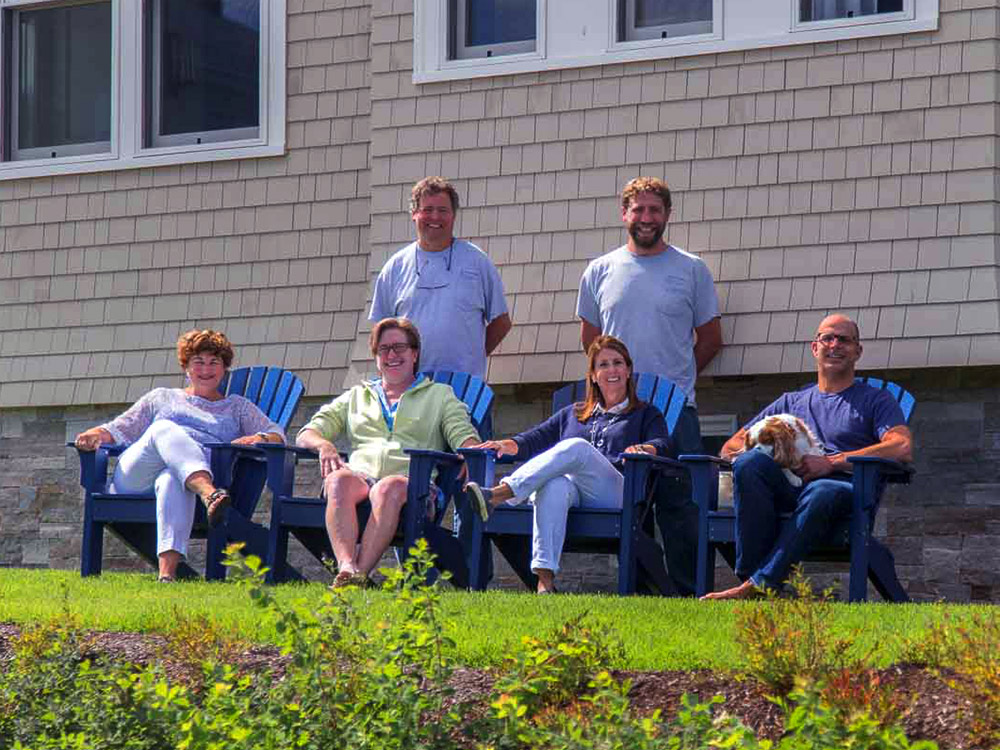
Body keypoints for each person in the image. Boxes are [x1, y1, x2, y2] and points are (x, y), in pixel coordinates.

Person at [576, 176, 722, 595]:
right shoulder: (600, 270)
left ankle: (690, 594)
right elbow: (592, 341)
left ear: (667, 215)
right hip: (621, 412)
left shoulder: (690, 269)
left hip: (678, 412)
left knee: (682, 506)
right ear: (624, 215)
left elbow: (710, 337)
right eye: (638, 210)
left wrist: (672, 386)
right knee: (630, 504)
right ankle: (639, 592)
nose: (646, 218)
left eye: (654, 210)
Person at [702, 314, 913, 600]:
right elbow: (731, 446)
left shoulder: (876, 400)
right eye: (827, 338)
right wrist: (778, 454)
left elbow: (900, 445)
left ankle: (758, 586)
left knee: (822, 488)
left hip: (843, 493)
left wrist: (831, 462)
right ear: (815, 348)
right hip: (790, 488)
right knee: (749, 463)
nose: (835, 345)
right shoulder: (791, 402)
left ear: (857, 351)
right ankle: (753, 579)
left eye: (844, 339)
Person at [463, 336, 673, 594]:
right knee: (553, 485)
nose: (612, 370)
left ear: (628, 370)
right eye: (603, 365)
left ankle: (499, 494)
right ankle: (545, 584)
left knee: (576, 447)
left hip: (618, 493)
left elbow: (663, 444)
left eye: (618, 363)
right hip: (574, 493)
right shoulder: (574, 413)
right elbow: (534, 439)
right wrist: (506, 444)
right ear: (594, 375)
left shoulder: (645, 413)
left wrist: (645, 448)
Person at [73, 330, 285, 582]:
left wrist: (257, 438)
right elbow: (121, 428)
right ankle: (210, 494)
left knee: (172, 479)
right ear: (186, 367)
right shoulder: (162, 397)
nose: (206, 369)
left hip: (182, 481)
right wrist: (94, 434)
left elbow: (277, 435)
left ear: (225, 368)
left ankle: (167, 575)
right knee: (163, 429)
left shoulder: (237, 407)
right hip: (137, 478)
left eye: (214, 362)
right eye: (198, 362)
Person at [296, 317, 481, 587]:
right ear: (376, 357)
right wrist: (324, 445)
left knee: (387, 488)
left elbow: (462, 433)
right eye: (384, 349)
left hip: (413, 487)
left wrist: (470, 451)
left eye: (399, 348)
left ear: (415, 353)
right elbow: (307, 432)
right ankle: (347, 566)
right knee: (337, 480)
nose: (391, 355)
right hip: (361, 478)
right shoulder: (357, 395)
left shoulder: (440, 395)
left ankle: (359, 575)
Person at [368, 176, 511, 380]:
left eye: (443, 210)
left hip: (463, 390)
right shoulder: (395, 268)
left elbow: (501, 322)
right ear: (414, 214)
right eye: (427, 210)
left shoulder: (477, 262)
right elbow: (380, 333)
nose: (435, 217)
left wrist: (473, 357)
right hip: (409, 390)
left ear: (453, 216)